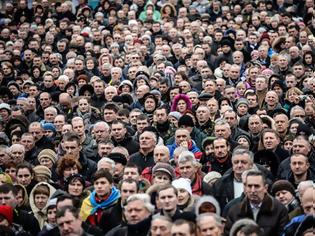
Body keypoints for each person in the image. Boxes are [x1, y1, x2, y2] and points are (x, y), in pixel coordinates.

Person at [225, 170, 289, 236]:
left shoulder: (279, 210)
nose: (252, 190)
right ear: (245, 188)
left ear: (265, 188)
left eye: (256, 186)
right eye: (249, 186)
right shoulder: (234, 211)